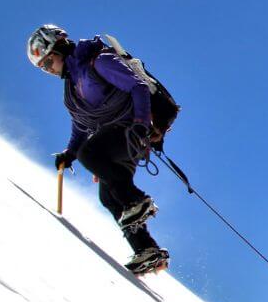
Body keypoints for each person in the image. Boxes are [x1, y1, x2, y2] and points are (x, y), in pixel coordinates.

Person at [27, 24, 169, 275]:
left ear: (58, 48)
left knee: (91, 155)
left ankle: (136, 200)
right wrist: (70, 153)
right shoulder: (71, 88)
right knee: (107, 195)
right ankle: (147, 250)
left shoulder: (98, 61)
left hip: (130, 128)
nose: (48, 71)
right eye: (42, 69)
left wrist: (141, 123)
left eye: (48, 63)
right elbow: (81, 126)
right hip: (118, 136)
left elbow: (138, 87)